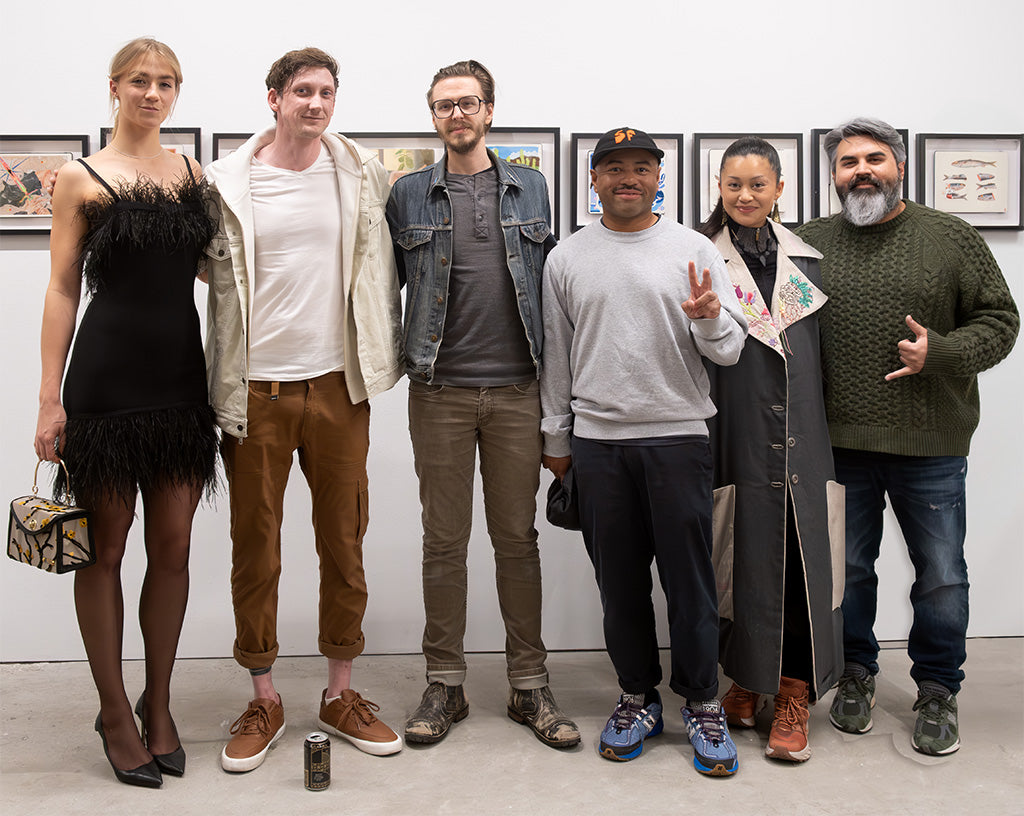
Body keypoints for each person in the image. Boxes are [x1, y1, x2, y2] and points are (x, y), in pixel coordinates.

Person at [204, 47, 405, 772]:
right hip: (254, 390)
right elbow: (205, 271)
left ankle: (338, 693)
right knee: (255, 549)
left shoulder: (359, 171)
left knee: (343, 542)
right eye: (302, 92)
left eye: (326, 92)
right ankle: (264, 695)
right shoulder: (226, 182)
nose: (316, 103)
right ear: (273, 99)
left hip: (336, 385)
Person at [796, 117, 1019, 756]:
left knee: (941, 575)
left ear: (899, 167)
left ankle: (938, 690)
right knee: (848, 573)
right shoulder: (808, 242)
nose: (861, 171)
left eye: (873, 159)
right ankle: (857, 674)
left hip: (931, 444)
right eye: (847, 163)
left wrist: (942, 353)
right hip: (839, 443)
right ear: (833, 175)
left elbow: (1002, 320)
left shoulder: (951, 237)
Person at [34, 37, 218, 788]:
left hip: (180, 382)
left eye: (166, 82)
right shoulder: (79, 178)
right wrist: (50, 397)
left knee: (172, 548)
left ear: (177, 92)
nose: (153, 92)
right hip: (104, 388)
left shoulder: (193, 173)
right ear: (114, 87)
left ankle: (159, 703)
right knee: (105, 550)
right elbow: (61, 290)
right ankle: (114, 711)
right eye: (140, 81)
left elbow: (215, 270)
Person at [541, 127, 747, 776]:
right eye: (613, 168)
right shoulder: (567, 258)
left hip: (681, 438)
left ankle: (703, 701)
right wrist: (555, 439)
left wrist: (712, 316)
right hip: (599, 446)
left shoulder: (693, 250)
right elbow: (555, 358)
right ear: (593, 179)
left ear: (660, 176)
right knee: (620, 587)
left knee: (691, 585)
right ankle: (637, 697)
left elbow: (731, 349)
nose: (627, 178)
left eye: (641, 167)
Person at [385, 59, 578, 749]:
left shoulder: (531, 188)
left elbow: (552, 294)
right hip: (438, 391)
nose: (456, 114)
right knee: (443, 543)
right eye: (444, 105)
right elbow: (380, 288)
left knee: (515, 541)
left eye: (467, 103)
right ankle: (446, 682)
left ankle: (529, 684)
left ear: (490, 110)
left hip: (519, 392)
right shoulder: (407, 194)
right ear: (433, 116)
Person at [697, 137, 843, 763]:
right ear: (719, 189)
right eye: (733, 185)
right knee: (739, 562)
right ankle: (746, 679)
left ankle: (792, 690)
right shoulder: (700, 258)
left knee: (804, 568)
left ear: (780, 189)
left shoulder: (810, 260)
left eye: (758, 184)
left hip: (806, 439)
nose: (745, 195)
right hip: (734, 434)